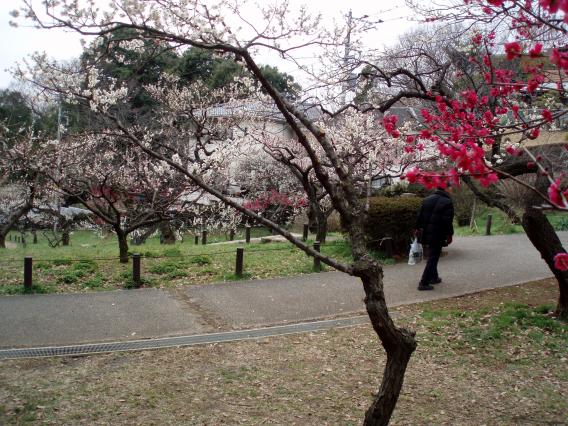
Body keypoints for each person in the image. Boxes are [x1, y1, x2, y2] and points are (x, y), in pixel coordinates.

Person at [415, 186, 454, 291]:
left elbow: (419, 216)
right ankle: (423, 282)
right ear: (446, 188)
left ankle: (434, 277)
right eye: (451, 187)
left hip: (426, 232)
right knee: (433, 257)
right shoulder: (447, 202)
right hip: (438, 233)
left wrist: (417, 228)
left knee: (433, 255)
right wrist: (450, 235)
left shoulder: (427, 199)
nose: (452, 189)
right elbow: (447, 221)